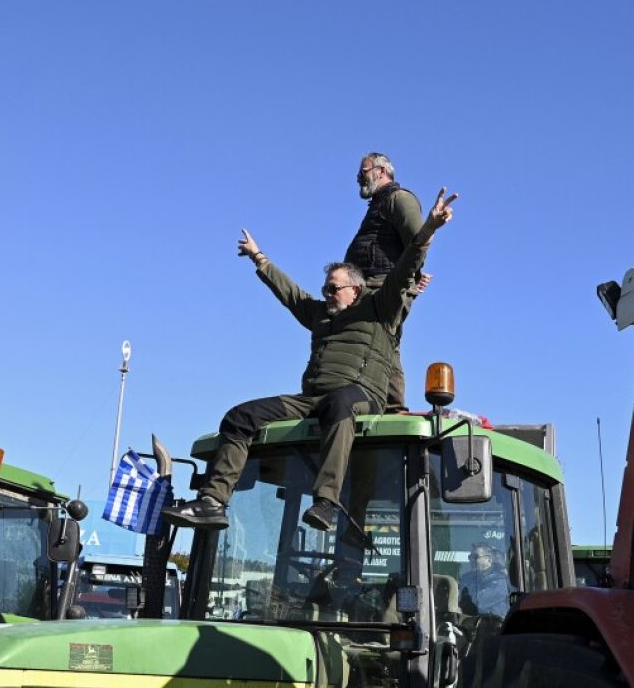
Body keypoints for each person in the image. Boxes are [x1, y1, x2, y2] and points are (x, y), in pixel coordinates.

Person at [167, 188, 458, 532]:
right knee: (240, 416)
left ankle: (326, 501)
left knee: (339, 404)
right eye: (325, 289)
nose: (327, 294)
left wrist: (430, 228)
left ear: (356, 290)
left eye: (334, 288)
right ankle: (214, 501)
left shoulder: (380, 308)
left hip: (361, 395)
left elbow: (408, 261)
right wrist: (260, 259)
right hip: (311, 400)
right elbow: (290, 295)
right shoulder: (320, 314)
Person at [345, 153, 426, 412]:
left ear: (380, 171)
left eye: (363, 170)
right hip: (369, 287)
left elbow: (418, 242)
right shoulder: (379, 205)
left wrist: (409, 279)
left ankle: (393, 407)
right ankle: (376, 402)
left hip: (382, 286)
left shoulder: (399, 199)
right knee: (370, 343)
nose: (359, 177)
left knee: (385, 341)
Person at [458, 544, 510, 616]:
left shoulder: (500, 581)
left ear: (489, 560)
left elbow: (477, 602)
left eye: (475, 557)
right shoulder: (467, 578)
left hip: (495, 624)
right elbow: (459, 600)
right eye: (470, 557)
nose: (471, 560)